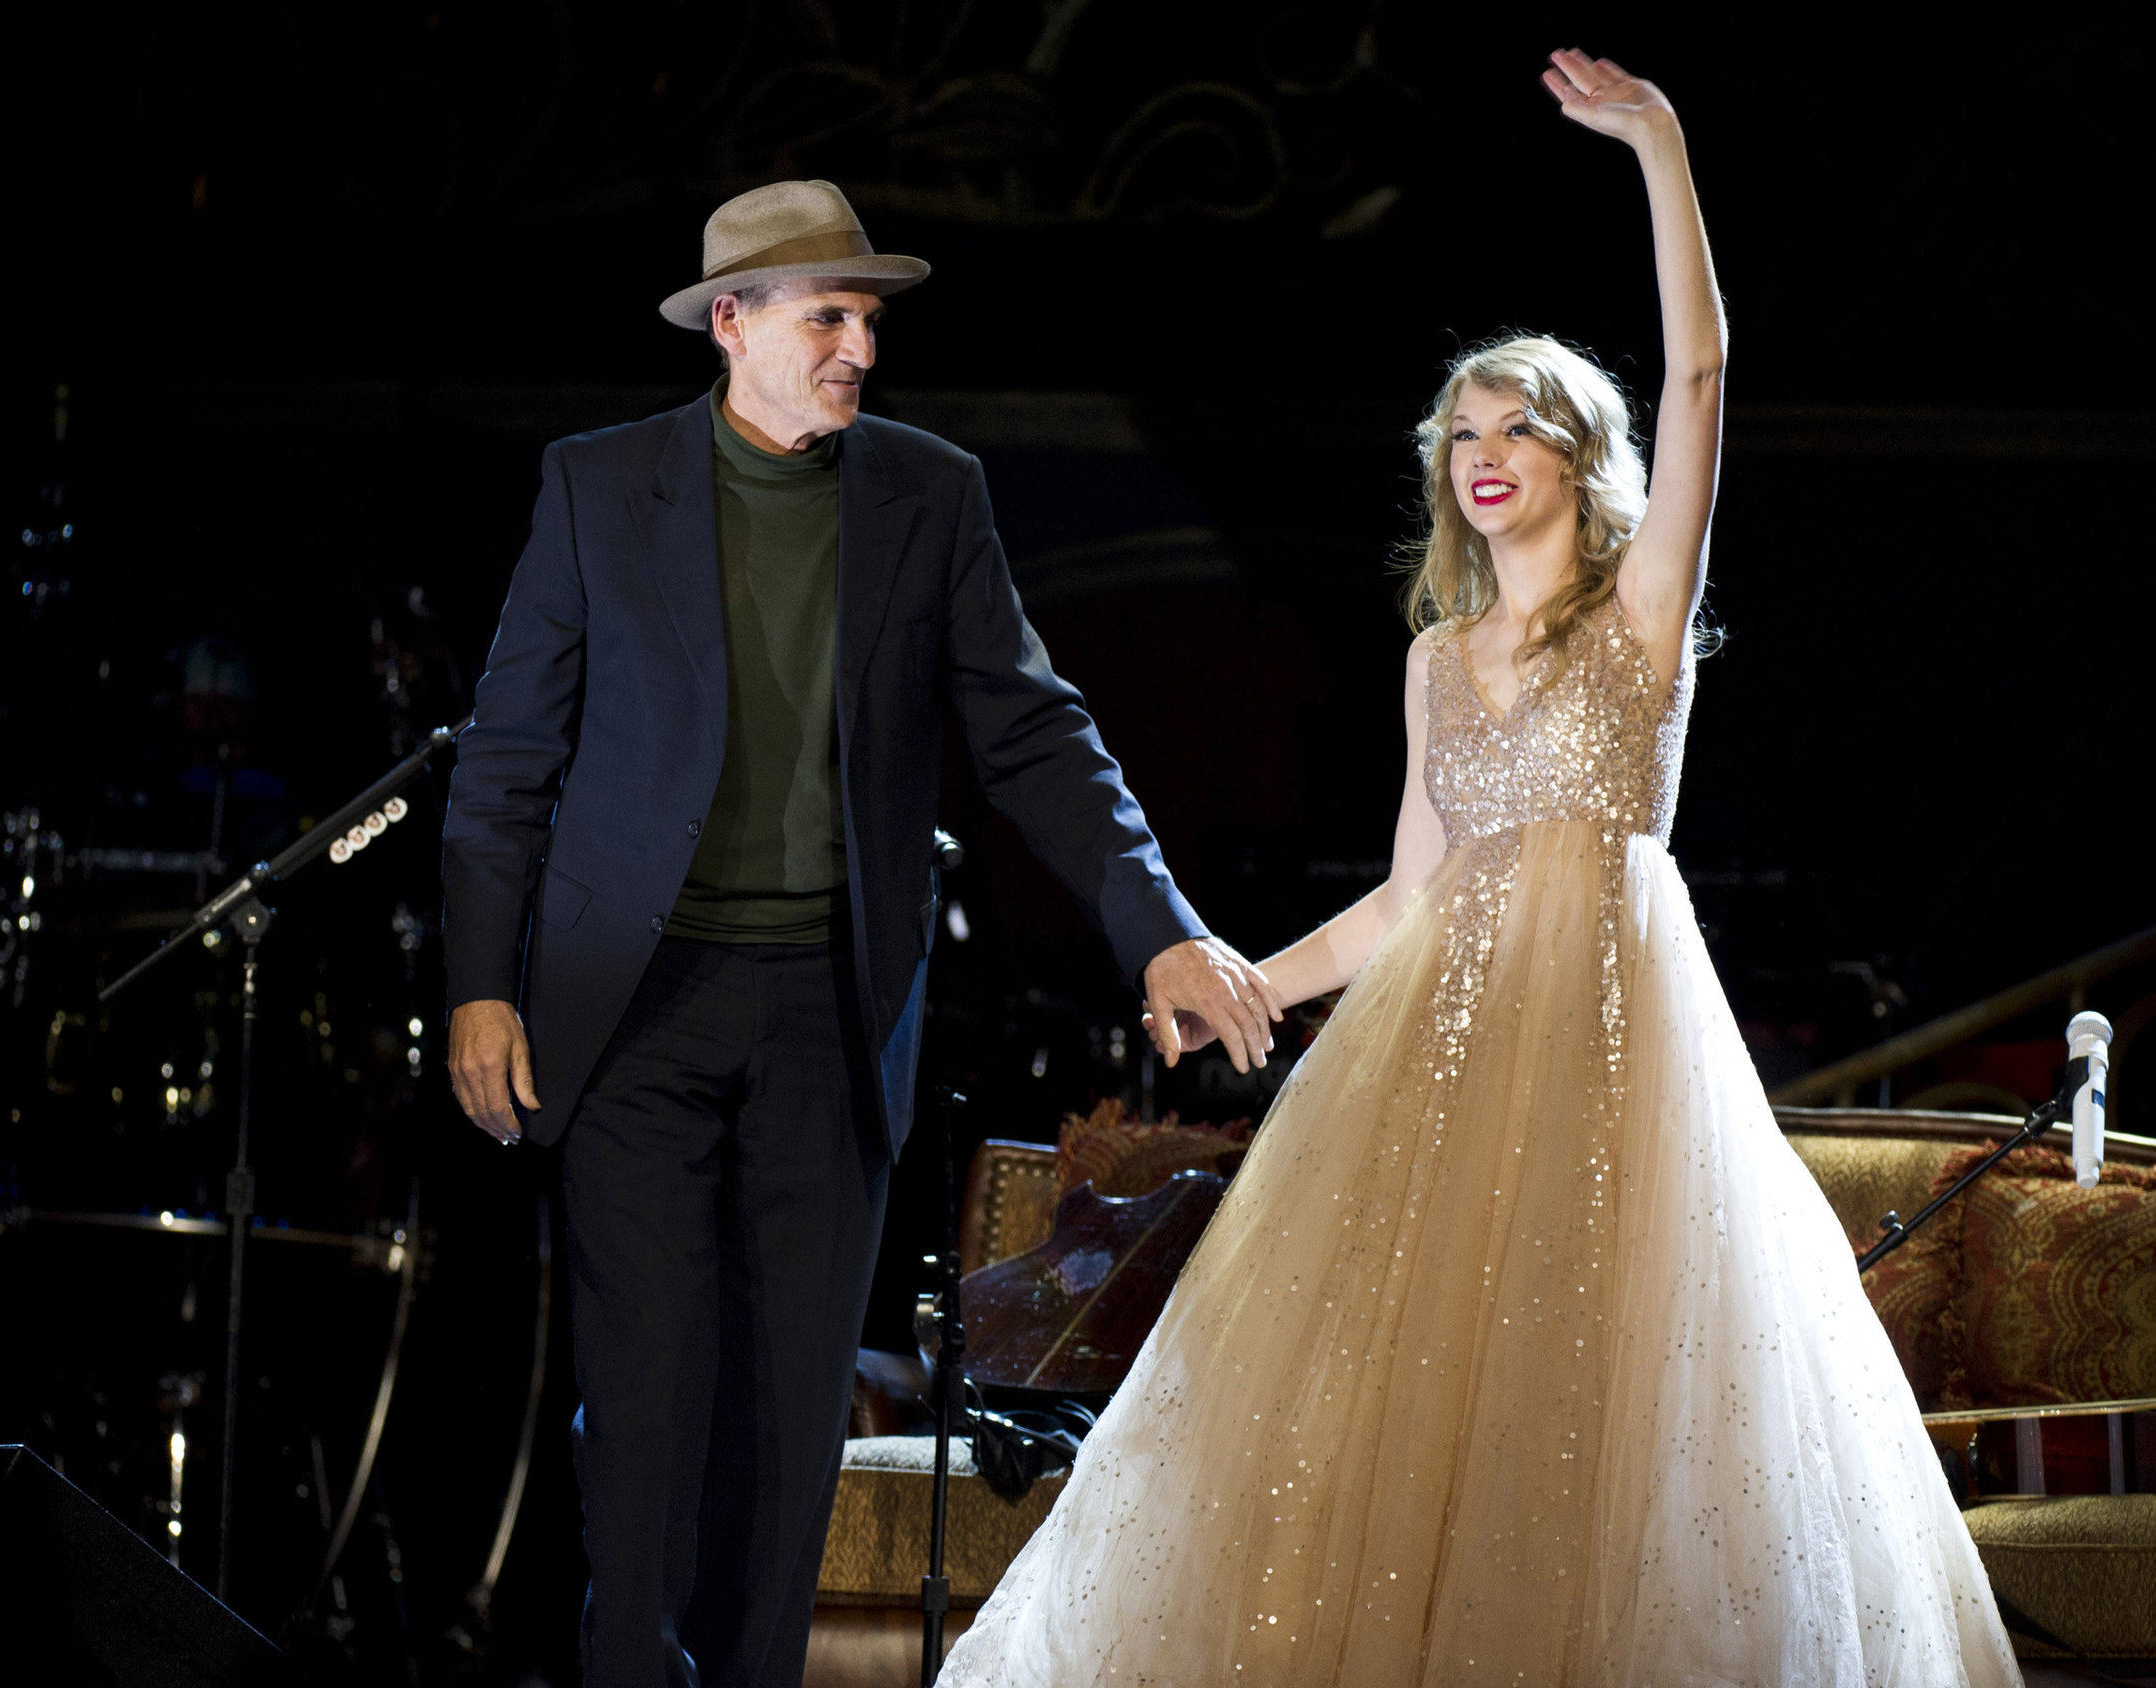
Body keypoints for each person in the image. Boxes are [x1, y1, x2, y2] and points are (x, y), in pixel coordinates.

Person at [941, 51, 2021, 1685]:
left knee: (1604, 1387)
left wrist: (1659, 149)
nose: (1482, 450)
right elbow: (1405, 896)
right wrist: (1249, 976)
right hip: (1440, 1050)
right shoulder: (1438, 658)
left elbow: (1703, 379)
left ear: (1581, 458)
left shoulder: (1638, 616)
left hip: (1610, 1044)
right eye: (1459, 431)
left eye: (1516, 426)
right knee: (1393, 1403)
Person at [438, 179, 1282, 1688]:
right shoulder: (597, 485)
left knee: (789, 1404)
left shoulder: (925, 492)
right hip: (627, 1004)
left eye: (870, 321)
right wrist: (478, 993)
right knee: (641, 1396)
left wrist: (1154, 925)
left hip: (830, 1009)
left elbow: (1034, 734)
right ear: (732, 322)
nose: (859, 351)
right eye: (829, 317)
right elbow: (506, 765)